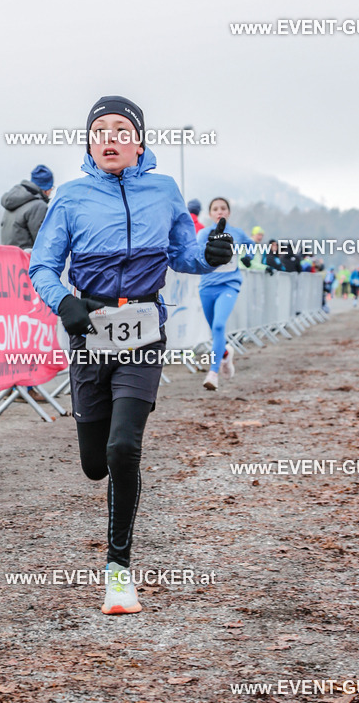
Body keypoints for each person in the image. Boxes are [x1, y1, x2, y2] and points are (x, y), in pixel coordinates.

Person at [28, 95, 233, 616]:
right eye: (101, 131)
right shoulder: (70, 198)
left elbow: (184, 254)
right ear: (90, 144)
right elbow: (42, 269)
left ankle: (118, 571)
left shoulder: (163, 190)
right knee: (95, 464)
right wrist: (65, 302)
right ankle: (106, 493)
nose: (111, 138)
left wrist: (209, 258)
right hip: (89, 332)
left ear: (139, 142)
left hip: (143, 332)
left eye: (122, 130)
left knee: (124, 449)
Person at [197, 197, 253, 392]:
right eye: (215, 209)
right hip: (207, 286)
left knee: (220, 326)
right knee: (214, 331)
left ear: (228, 212)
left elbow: (252, 245)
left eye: (223, 208)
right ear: (210, 213)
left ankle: (213, 373)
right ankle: (226, 354)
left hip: (229, 285)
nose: (219, 211)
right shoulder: (204, 233)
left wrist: (248, 257)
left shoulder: (236, 233)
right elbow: (195, 254)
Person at [1, 164, 54, 249]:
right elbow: (41, 241)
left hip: (9, 258)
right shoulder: (39, 206)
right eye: (51, 188)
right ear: (46, 189)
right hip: (26, 259)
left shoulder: (14, 201)